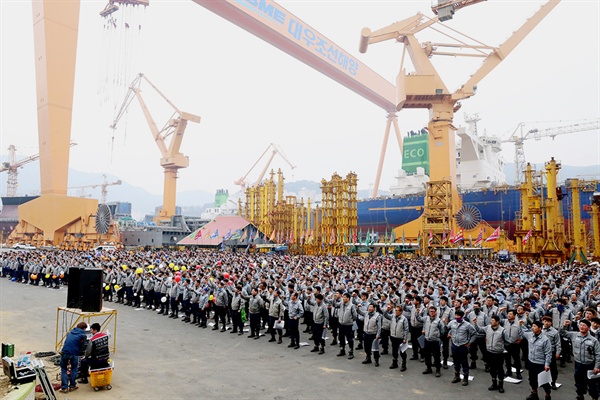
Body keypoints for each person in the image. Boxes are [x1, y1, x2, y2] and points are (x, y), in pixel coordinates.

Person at [561, 319, 600, 400]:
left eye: (584, 325)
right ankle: (580, 395)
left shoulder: (594, 340)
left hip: (589, 365)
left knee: (592, 384)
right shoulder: (574, 335)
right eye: (580, 325)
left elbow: (598, 354)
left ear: (588, 328)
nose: (581, 327)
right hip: (578, 364)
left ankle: (594, 397)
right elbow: (562, 333)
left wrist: (597, 366)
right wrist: (564, 325)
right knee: (579, 382)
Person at [473, 314, 508, 393]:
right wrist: (475, 324)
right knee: (492, 369)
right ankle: (494, 383)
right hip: (489, 352)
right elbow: (480, 330)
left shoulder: (503, 330)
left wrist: (503, 348)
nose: (491, 322)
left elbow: (507, 340)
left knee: (499, 369)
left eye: (492, 320)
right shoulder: (488, 327)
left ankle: (501, 385)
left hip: (498, 353)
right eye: (491, 320)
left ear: (497, 322)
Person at [520, 320, 552, 400]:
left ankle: (547, 395)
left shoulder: (545, 340)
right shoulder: (530, 335)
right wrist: (521, 325)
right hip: (531, 361)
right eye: (532, 326)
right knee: (532, 379)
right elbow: (523, 331)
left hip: (540, 363)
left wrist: (547, 364)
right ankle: (534, 394)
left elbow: (548, 353)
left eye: (534, 326)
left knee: (544, 381)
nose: (532, 328)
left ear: (540, 328)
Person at [447, 309, 477, 386]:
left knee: (464, 362)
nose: (457, 317)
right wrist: (449, 334)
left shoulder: (467, 325)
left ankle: (465, 378)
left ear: (462, 316)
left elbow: (474, 334)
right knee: (455, 361)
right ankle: (457, 376)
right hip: (454, 345)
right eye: (456, 315)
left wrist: (470, 342)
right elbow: (448, 328)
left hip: (463, 346)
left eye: (458, 316)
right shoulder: (452, 323)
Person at [60, 322, 88, 393]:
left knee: (63, 369)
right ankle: (72, 386)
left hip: (64, 352)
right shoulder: (83, 335)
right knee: (74, 369)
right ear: (84, 328)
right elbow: (83, 346)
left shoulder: (70, 332)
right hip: (74, 353)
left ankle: (64, 388)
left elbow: (66, 342)